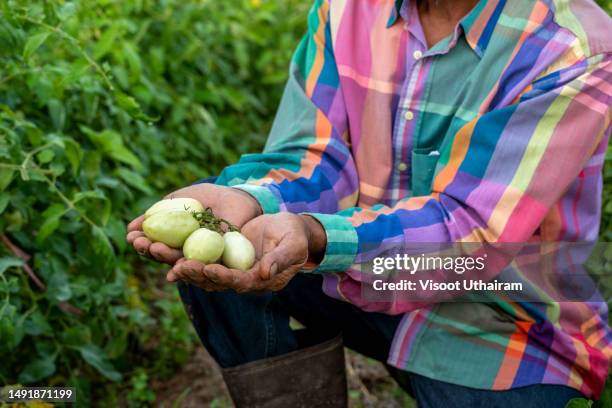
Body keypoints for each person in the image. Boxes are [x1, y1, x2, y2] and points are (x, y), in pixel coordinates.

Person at [126, 0, 612, 406]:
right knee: (227, 236)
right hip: (366, 272)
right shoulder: (348, 9)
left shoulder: (571, 49)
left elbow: (473, 235)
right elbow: (315, 154)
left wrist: (317, 237)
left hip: (494, 318)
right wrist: (249, 200)